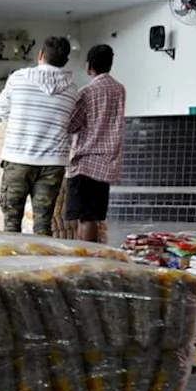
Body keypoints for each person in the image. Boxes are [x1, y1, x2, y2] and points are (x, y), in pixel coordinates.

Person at [0, 36, 80, 236]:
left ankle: (12, 266)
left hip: (18, 159)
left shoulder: (18, 78)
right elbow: (71, 124)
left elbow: (2, 109)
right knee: (43, 223)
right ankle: (41, 266)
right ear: (65, 62)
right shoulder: (73, 90)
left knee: (11, 222)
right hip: (53, 162)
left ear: (40, 54)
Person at [67, 44, 127, 243]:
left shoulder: (87, 92)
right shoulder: (119, 90)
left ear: (89, 67)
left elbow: (72, 124)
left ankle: (85, 259)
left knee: (85, 219)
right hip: (107, 163)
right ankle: (91, 257)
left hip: (85, 163)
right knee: (94, 216)